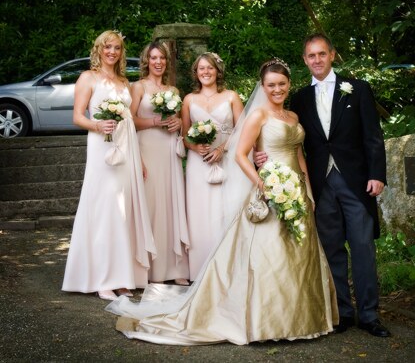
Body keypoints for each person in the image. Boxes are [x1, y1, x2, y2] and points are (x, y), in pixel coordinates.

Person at [106, 58, 338, 345]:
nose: (276, 89)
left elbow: (299, 154)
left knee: (299, 252)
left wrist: (310, 192)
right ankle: (265, 319)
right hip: (270, 186)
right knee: (270, 254)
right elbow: (242, 153)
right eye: (271, 85)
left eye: (281, 84)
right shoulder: (257, 115)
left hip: (297, 191)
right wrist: (263, 184)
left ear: (289, 85)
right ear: (263, 87)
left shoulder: (293, 117)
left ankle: (302, 316)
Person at [255, 33, 389, 337]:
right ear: (305, 60)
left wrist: (377, 174)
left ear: (332, 55)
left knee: (363, 248)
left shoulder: (357, 89)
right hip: (320, 184)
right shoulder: (299, 98)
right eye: (311, 56)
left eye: (321, 54)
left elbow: (373, 136)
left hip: (356, 182)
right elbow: (284, 133)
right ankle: (342, 312)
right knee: (331, 250)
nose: (316, 60)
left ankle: (369, 315)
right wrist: (257, 153)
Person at [62, 30, 156, 301]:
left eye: (117, 47)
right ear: (99, 49)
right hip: (102, 148)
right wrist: (96, 124)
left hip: (126, 149)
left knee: (123, 212)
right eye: (108, 47)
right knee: (105, 209)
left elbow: (128, 121)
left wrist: (139, 158)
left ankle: (122, 278)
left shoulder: (125, 82)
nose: (112, 52)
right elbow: (77, 117)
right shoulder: (87, 78)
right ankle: (102, 278)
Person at [130, 41, 190, 286]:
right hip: (146, 149)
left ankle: (174, 268)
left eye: (162, 58)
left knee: (171, 205)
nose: (158, 62)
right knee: (152, 205)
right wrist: (155, 121)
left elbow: (179, 122)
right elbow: (130, 121)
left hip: (168, 151)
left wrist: (178, 125)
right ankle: (149, 269)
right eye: (153, 58)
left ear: (166, 62)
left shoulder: (174, 91)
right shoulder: (138, 87)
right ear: (147, 61)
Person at [181, 52, 243, 280]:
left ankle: (226, 269)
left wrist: (222, 149)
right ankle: (199, 271)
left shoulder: (231, 97)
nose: (205, 72)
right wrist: (195, 147)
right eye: (201, 69)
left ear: (218, 71)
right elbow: (184, 135)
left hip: (226, 162)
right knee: (199, 213)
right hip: (198, 164)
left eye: (210, 68)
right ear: (196, 73)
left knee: (224, 211)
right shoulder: (189, 100)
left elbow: (243, 130)